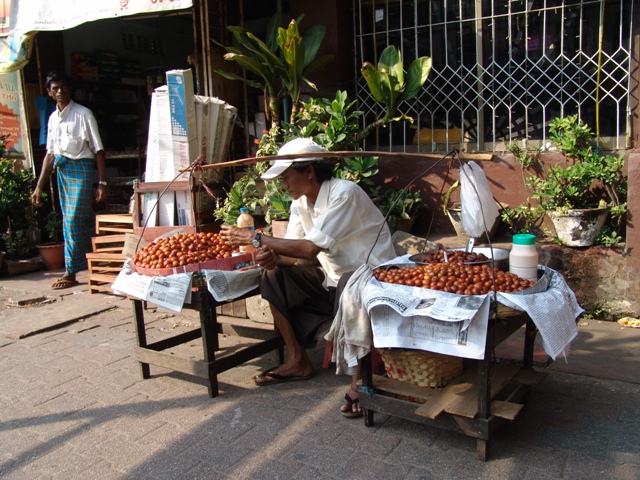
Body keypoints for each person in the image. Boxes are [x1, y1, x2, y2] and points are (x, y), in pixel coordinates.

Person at [221, 138, 397, 417]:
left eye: (287, 177)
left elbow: (309, 248)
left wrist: (254, 236)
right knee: (273, 275)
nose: (284, 185)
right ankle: (297, 360)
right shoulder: (300, 204)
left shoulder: (345, 193)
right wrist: (274, 258)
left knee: (350, 282)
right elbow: (296, 254)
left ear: (310, 171)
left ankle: (359, 382)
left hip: (371, 278)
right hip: (332, 279)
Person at [31, 71, 108, 290]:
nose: (60, 91)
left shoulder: (84, 114)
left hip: (82, 169)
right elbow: (50, 154)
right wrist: (39, 187)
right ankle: (95, 262)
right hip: (63, 172)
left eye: (63, 87)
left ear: (70, 88)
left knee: (74, 220)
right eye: (55, 88)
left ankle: (71, 271)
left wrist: (102, 183)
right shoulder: (53, 119)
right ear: (49, 92)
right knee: (75, 221)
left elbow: (99, 150)